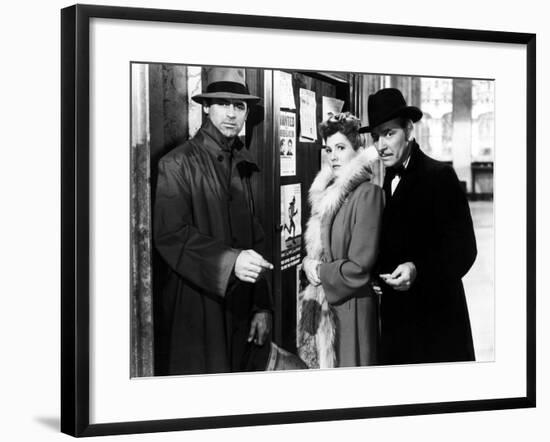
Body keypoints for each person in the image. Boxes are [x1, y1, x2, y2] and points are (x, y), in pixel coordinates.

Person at [154, 67, 274, 375]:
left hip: (241, 310)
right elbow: (171, 235)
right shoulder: (178, 162)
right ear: (206, 107)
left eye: (239, 105)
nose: (231, 113)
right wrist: (230, 262)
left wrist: (262, 307)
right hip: (198, 306)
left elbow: (256, 238)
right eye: (222, 103)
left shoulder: (246, 163)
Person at [359, 88, 477, 365]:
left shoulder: (440, 176)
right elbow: (395, 239)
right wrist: (377, 274)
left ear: (409, 130)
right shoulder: (387, 179)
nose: (380, 145)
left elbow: (464, 251)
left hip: (437, 323)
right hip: (397, 320)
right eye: (376, 136)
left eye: (389, 133)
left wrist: (417, 269)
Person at [298, 112, 384, 368]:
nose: (333, 155)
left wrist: (319, 270)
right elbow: (321, 250)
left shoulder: (368, 194)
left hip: (352, 307)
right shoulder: (328, 194)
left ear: (357, 150)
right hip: (326, 304)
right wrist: (307, 263)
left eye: (341, 147)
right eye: (328, 149)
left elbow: (359, 265)